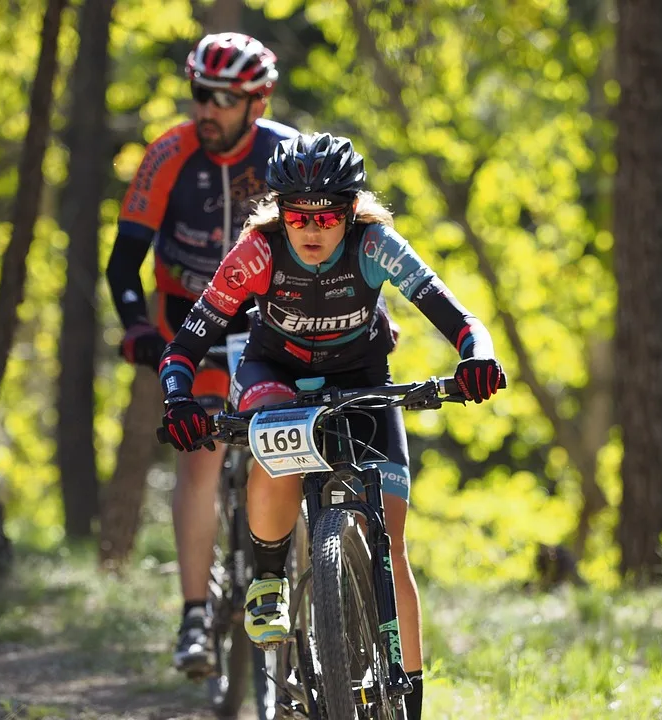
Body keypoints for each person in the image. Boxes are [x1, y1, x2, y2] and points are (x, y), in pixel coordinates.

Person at [157, 132, 503, 720]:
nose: (311, 231)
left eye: (327, 216)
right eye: (297, 216)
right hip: (275, 371)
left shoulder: (377, 244)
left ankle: (410, 698)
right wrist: (178, 400)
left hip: (361, 377)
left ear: (351, 212)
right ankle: (268, 580)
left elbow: (459, 317)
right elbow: (184, 346)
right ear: (280, 214)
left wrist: (477, 356)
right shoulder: (258, 253)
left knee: (391, 547)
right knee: (272, 437)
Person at [105, 32, 298, 676]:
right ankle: (195, 614)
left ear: (257, 100)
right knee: (200, 463)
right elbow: (123, 263)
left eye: (224, 98)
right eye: (200, 94)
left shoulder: (287, 154)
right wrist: (137, 328)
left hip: (268, 323)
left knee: (283, 443)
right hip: (189, 326)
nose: (207, 110)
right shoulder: (168, 154)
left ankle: (297, 576)